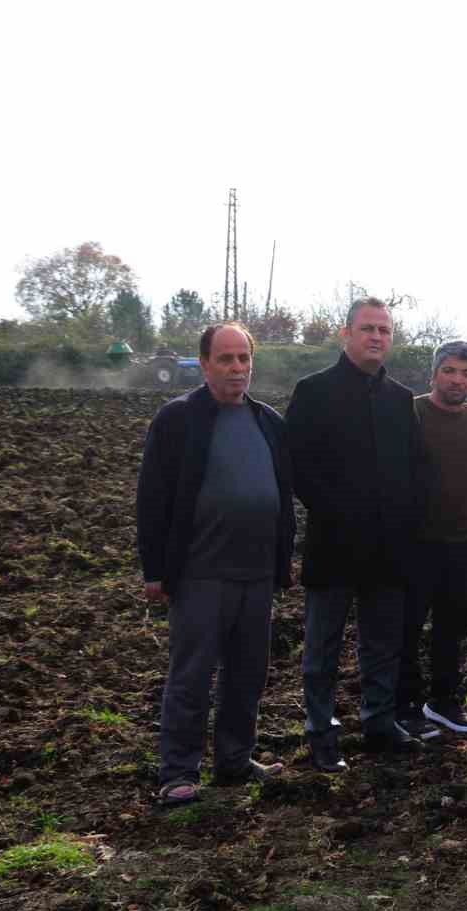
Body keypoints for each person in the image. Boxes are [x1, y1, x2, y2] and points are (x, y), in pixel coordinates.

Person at [137, 323, 294, 804]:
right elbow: (153, 496)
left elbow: (283, 494)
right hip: (201, 571)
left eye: (244, 358)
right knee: (192, 674)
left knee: (247, 673)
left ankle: (234, 760)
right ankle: (178, 772)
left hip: (257, 571)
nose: (237, 368)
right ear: (204, 364)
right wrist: (155, 569)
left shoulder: (268, 420)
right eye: (225, 359)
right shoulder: (179, 419)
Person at [287, 297, 429, 770]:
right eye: (367, 328)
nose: (376, 337)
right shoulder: (313, 392)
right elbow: (298, 467)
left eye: (384, 330)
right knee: (323, 646)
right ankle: (321, 730)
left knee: (382, 642)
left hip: (389, 548)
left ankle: (379, 722)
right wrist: (338, 511)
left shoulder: (399, 399)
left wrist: (407, 522)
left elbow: (416, 468)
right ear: (345, 333)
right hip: (334, 544)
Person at [396, 340, 467, 737]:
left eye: (466, 373)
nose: (457, 379)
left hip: (463, 539)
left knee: (453, 625)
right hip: (417, 541)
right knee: (408, 626)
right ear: (434, 373)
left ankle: (444, 700)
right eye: (450, 371)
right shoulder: (412, 412)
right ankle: (403, 705)